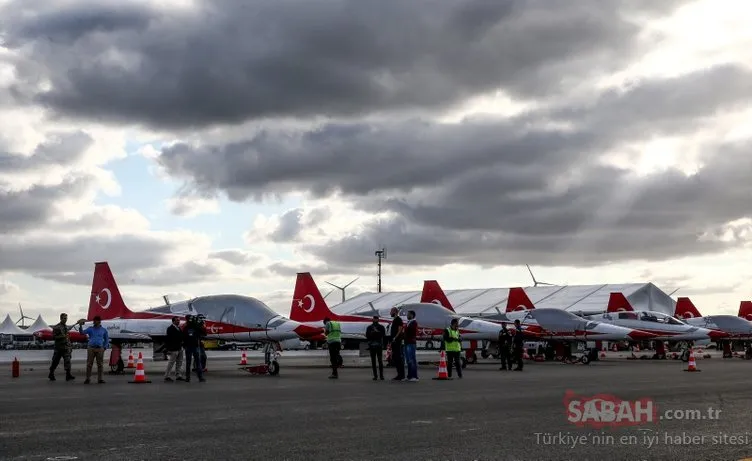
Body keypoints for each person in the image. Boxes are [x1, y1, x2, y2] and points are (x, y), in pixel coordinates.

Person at [48, 313, 85, 382]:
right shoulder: (56, 327)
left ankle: (68, 375)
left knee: (67, 361)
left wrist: (77, 323)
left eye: (66, 318)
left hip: (66, 347)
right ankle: (51, 373)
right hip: (59, 348)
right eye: (64, 318)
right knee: (55, 361)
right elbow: (53, 337)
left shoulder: (65, 326)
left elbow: (70, 328)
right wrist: (62, 337)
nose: (65, 320)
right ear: (61, 318)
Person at [78, 316, 109, 384]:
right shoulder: (90, 329)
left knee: (100, 364)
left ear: (99, 321)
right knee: (89, 364)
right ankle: (88, 378)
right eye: (94, 320)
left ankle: (100, 379)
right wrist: (80, 326)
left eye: (95, 321)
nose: (94, 322)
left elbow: (107, 339)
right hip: (91, 348)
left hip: (100, 348)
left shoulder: (103, 330)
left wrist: (104, 348)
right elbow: (82, 333)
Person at [182, 315, 206, 382]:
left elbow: (183, 337)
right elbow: (204, 333)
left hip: (188, 346)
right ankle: (200, 377)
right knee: (198, 362)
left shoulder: (186, 327)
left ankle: (188, 377)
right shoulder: (196, 327)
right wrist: (202, 325)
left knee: (188, 363)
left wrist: (184, 345)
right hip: (195, 346)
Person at [365, 316, 386, 380]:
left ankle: (381, 376)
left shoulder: (381, 327)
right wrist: (374, 333)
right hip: (373, 346)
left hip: (378, 345)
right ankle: (376, 376)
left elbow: (383, 335)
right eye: (374, 319)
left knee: (379, 361)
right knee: (374, 361)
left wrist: (375, 332)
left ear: (378, 320)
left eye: (376, 319)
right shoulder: (369, 327)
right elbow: (367, 336)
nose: (375, 320)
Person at [164, 316, 184, 382]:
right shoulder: (170, 329)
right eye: (177, 320)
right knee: (171, 363)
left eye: (179, 320)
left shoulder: (179, 328)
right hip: (174, 349)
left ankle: (178, 375)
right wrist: (168, 349)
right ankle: (167, 376)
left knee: (179, 362)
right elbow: (168, 340)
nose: (178, 321)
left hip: (180, 348)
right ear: (173, 321)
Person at [388, 307, 405, 381]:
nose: (390, 313)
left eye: (391, 311)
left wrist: (395, 338)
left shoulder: (398, 320)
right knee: (395, 357)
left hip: (397, 341)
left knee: (398, 358)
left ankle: (401, 375)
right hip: (394, 341)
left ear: (394, 312)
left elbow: (400, 329)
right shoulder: (394, 320)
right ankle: (399, 374)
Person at [404, 310, 419, 381]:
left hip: (411, 343)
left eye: (408, 314)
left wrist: (405, 329)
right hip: (407, 342)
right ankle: (409, 376)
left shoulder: (414, 322)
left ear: (412, 315)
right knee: (408, 360)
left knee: (412, 359)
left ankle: (415, 376)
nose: (407, 315)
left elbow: (411, 331)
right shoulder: (408, 323)